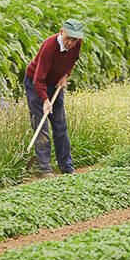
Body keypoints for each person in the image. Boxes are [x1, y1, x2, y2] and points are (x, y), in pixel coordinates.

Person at [25, 18, 84, 176]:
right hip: (35, 84)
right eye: (68, 38)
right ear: (61, 31)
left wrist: (65, 75)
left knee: (60, 125)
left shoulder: (77, 44)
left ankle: (66, 166)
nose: (71, 43)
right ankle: (44, 168)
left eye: (74, 39)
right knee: (41, 125)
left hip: (56, 83)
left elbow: (73, 60)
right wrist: (45, 100)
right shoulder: (50, 46)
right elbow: (38, 79)